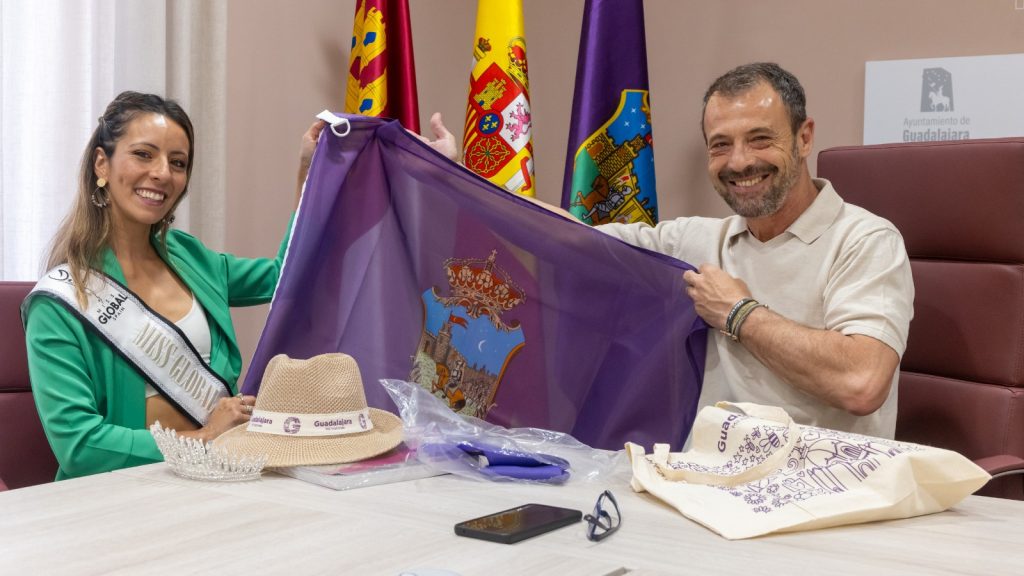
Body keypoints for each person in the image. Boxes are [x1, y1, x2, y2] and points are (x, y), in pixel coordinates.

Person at [597, 63, 914, 438]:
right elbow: (567, 237)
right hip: (708, 482)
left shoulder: (867, 240)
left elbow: (861, 383)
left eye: (760, 139)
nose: (740, 161)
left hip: (826, 489)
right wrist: (508, 206)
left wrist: (738, 313)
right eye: (721, 145)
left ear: (804, 138)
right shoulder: (696, 240)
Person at [22, 91, 326, 480]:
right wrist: (204, 436)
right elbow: (79, 446)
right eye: (144, 154)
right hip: (116, 496)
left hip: (218, 478)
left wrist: (309, 176)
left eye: (177, 162)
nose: (163, 173)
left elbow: (287, 278)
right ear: (102, 163)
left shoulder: (189, 256)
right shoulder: (62, 299)